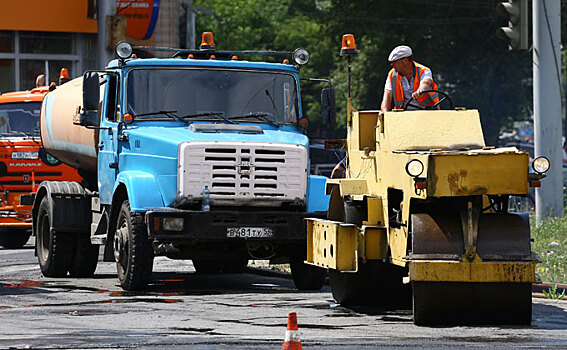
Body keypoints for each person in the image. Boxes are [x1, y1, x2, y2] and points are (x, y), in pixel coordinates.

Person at [380, 45, 439, 112]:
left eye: (394, 61)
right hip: (404, 116)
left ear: (405, 60)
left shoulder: (424, 70)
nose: (392, 64)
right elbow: (386, 99)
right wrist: (385, 116)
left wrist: (420, 90)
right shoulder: (391, 75)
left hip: (427, 114)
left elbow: (426, 82)